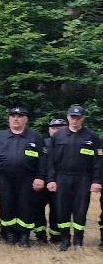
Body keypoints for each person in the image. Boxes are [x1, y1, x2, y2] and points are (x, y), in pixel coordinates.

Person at [0, 106, 47, 247]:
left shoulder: (35, 137)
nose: (16, 119)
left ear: (25, 119)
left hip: (27, 178)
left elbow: (43, 161)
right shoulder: (0, 137)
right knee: (7, 205)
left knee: (25, 206)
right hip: (5, 178)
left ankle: (24, 235)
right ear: (9, 119)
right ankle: (8, 233)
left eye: (19, 116)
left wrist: (40, 177)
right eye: (13, 116)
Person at [45, 104, 102, 250]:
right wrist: (51, 179)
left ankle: (78, 241)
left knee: (80, 210)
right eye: (72, 117)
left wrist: (97, 181)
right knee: (62, 209)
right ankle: (64, 240)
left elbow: (98, 161)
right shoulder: (58, 136)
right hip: (62, 177)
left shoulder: (92, 137)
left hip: (83, 178)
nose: (75, 120)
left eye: (78, 118)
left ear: (83, 119)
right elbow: (50, 160)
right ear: (67, 117)